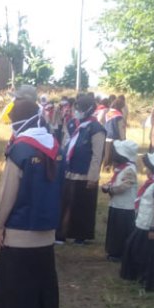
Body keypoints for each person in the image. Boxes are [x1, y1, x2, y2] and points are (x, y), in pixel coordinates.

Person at [0, 98, 62, 308]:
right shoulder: (55, 145)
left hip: (20, 230)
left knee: (16, 283)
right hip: (48, 229)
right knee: (43, 282)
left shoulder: (19, 149)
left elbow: (8, 193)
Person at [120, 149, 154, 292]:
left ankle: (150, 280)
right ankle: (137, 275)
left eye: (148, 167)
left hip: (150, 227)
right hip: (142, 224)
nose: (146, 169)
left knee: (150, 257)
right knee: (134, 249)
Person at [57, 94, 105, 244]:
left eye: (81, 108)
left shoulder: (96, 129)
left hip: (84, 173)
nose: (77, 111)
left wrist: (93, 177)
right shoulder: (72, 123)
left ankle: (80, 235)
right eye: (76, 107)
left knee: (82, 205)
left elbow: (97, 155)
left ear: (89, 110)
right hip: (68, 170)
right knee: (65, 203)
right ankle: (62, 233)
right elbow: (64, 144)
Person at [101, 140, 138, 262]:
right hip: (117, 205)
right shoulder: (122, 168)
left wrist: (110, 189)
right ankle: (113, 251)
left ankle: (120, 253)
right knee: (115, 229)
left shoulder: (130, 169)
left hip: (125, 207)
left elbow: (125, 185)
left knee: (121, 231)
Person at [102, 98, 127, 172]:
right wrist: (123, 139)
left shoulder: (108, 113)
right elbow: (121, 128)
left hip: (108, 135)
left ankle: (106, 167)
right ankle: (115, 167)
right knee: (116, 154)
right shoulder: (119, 115)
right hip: (116, 137)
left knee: (107, 153)